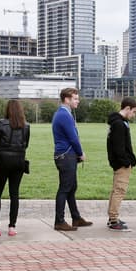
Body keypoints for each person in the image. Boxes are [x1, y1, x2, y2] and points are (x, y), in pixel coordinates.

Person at [0, 98, 30, 237]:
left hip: (3, 161)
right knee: (14, 194)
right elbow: (26, 144)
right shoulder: (26, 126)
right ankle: (12, 226)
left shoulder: (1, 124)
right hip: (19, 160)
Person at [52, 86, 91, 231]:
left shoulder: (65, 113)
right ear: (67, 99)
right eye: (75, 98)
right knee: (65, 188)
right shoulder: (63, 115)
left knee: (71, 188)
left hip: (67, 155)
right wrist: (81, 153)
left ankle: (76, 218)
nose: (78, 101)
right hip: (66, 156)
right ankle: (59, 221)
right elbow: (73, 138)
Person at [105, 97, 136, 231]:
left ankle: (112, 217)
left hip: (119, 162)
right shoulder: (119, 124)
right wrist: (127, 162)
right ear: (127, 108)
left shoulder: (118, 122)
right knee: (119, 190)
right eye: (134, 112)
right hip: (121, 164)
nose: (134, 115)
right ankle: (113, 219)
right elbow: (119, 147)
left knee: (116, 190)